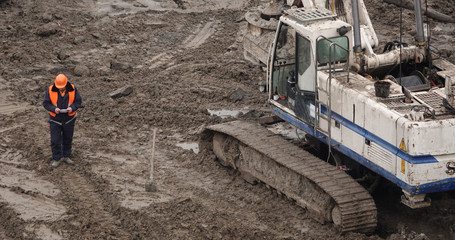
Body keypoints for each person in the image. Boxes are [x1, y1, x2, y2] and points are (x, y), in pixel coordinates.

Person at [43, 74, 82, 168]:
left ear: (66, 84)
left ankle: (66, 155)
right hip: (55, 120)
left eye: (62, 87)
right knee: (55, 140)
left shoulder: (72, 89)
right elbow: (46, 103)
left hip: (69, 120)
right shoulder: (50, 90)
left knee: (67, 139)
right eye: (59, 87)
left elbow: (78, 102)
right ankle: (56, 158)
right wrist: (53, 109)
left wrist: (72, 108)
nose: (61, 88)